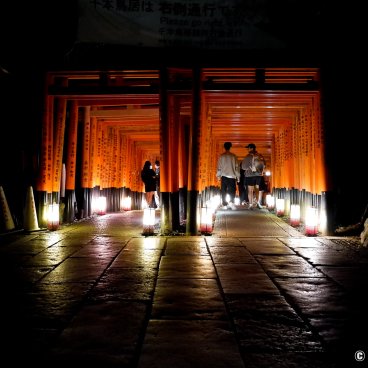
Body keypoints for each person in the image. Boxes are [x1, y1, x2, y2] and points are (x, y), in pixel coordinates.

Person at [241, 143, 266, 209]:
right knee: (257, 189)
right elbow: (264, 165)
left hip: (249, 175)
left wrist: (249, 168)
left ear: (251, 148)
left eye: (248, 148)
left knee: (250, 190)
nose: (247, 149)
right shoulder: (260, 156)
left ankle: (251, 204)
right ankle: (257, 203)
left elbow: (243, 167)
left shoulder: (248, 156)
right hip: (258, 175)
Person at [216, 142, 239, 210]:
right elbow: (236, 167)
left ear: (224, 147)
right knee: (232, 190)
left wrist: (218, 176)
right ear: (230, 147)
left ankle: (224, 204)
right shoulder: (233, 156)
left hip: (224, 176)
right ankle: (231, 202)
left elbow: (219, 167)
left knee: (224, 190)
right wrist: (238, 177)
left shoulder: (221, 156)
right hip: (232, 176)